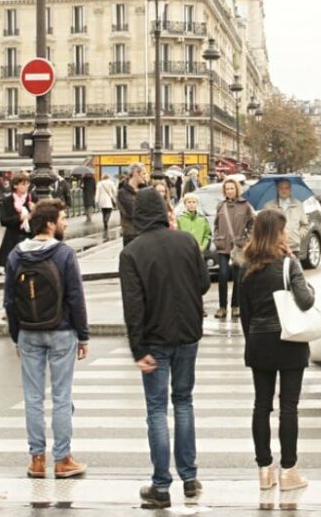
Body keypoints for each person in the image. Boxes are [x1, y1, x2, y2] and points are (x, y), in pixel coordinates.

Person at [119, 188, 211, 509]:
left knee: (157, 410)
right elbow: (203, 284)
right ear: (163, 210)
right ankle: (189, 478)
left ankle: (161, 485)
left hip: (155, 340)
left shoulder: (132, 252)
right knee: (184, 402)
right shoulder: (185, 240)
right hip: (187, 334)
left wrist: (137, 349)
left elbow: (133, 307)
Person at [4, 199, 90, 480]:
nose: (65, 223)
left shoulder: (17, 254)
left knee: (33, 397)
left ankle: (37, 459)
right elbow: (75, 297)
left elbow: (9, 301)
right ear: (50, 224)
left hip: (29, 330)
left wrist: (17, 336)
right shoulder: (64, 253)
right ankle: (63, 459)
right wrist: (83, 334)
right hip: (61, 328)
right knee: (62, 395)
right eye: (63, 219)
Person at [238, 210, 314, 492]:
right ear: (275, 234)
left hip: (259, 340)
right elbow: (305, 301)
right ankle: (288, 472)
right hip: (289, 341)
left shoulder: (246, 266)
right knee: (288, 407)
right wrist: (296, 265)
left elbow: (244, 313)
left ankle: (264, 470)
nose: (286, 234)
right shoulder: (287, 264)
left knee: (261, 405)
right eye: (283, 230)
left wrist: (252, 341)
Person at [213, 179, 254, 320]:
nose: (230, 191)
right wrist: (216, 238)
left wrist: (246, 239)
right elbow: (216, 225)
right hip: (223, 245)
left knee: (237, 277)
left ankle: (236, 306)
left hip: (238, 246)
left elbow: (252, 225)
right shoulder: (221, 206)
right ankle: (222, 307)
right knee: (223, 275)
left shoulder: (245, 206)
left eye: (232, 188)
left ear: (236, 189)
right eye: (227, 189)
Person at [261, 179, 310, 258]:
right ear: (277, 189)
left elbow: (305, 225)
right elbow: (263, 227)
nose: (284, 190)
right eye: (281, 188)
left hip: (293, 247)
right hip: (275, 248)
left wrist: (297, 235)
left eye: (286, 188)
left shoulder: (298, 205)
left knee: (293, 270)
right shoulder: (268, 206)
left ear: (290, 189)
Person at [0, 173, 37, 268]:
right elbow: (3, 220)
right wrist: (19, 218)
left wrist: (35, 210)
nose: (26, 186)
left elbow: (40, 219)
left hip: (29, 238)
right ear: (15, 185)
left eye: (27, 184)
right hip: (12, 240)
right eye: (23, 184)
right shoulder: (8, 201)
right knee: (12, 268)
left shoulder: (32, 199)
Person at [119, 163, 148, 247]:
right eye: (143, 173)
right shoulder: (123, 192)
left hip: (145, 232)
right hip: (131, 234)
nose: (145, 176)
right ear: (135, 173)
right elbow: (132, 213)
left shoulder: (145, 189)